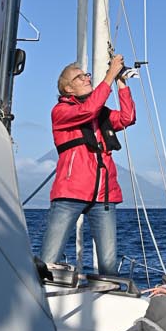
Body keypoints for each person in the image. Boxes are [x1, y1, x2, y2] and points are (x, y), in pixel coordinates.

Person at [41, 51, 139, 282]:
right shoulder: (61, 112)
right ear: (68, 90)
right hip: (70, 193)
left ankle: (110, 303)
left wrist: (121, 82)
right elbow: (87, 111)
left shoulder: (100, 112)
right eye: (79, 77)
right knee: (48, 259)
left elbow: (127, 117)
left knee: (108, 266)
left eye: (86, 74)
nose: (86, 78)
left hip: (104, 195)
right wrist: (109, 75)